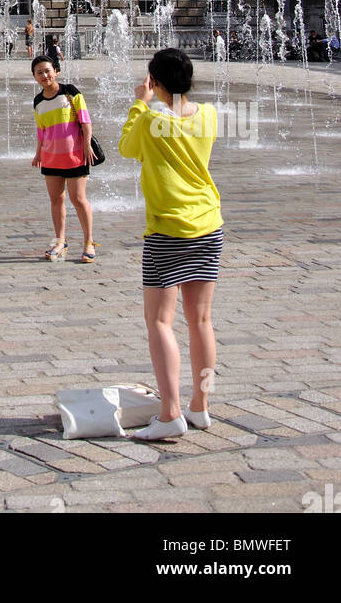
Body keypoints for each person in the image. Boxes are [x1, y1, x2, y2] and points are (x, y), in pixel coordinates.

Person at [119, 47, 222, 441]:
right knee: (201, 321)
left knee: (160, 321)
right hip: (209, 224)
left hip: (167, 229)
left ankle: (170, 413)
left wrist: (138, 105)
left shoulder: (149, 122)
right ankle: (201, 406)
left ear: (156, 84)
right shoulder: (209, 116)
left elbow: (128, 148)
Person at [30, 53, 97, 262]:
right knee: (56, 199)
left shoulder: (70, 92)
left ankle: (89, 242)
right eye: (39, 72)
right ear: (34, 76)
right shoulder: (38, 100)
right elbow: (41, 130)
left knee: (78, 199)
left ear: (56, 72)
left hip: (75, 155)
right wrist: (38, 153)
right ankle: (60, 241)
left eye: (47, 71)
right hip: (50, 157)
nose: (44, 75)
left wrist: (86, 145)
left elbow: (85, 120)